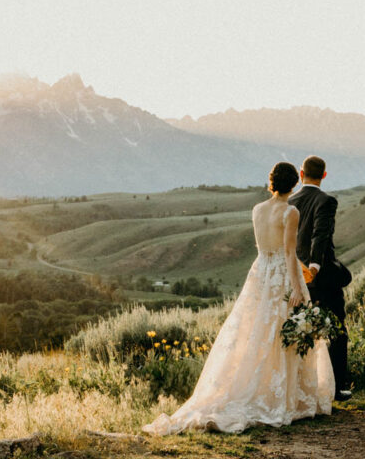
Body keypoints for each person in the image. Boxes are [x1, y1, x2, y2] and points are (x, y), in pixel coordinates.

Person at [142, 162, 334, 435]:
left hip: (259, 274)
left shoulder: (257, 210)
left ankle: (260, 390)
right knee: (281, 333)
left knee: (254, 332)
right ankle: (284, 398)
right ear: (294, 184)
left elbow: (268, 249)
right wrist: (298, 289)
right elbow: (289, 254)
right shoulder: (290, 212)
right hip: (280, 275)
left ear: (272, 183)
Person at [287, 155, 352, 400]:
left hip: (295, 276)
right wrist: (314, 265)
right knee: (337, 329)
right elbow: (320, 234)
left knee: (298, 330)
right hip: (321, 277)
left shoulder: (289, 200)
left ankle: (298, 386)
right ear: (324, 175)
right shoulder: (326, 201)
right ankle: (337, 388)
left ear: (301, 174)